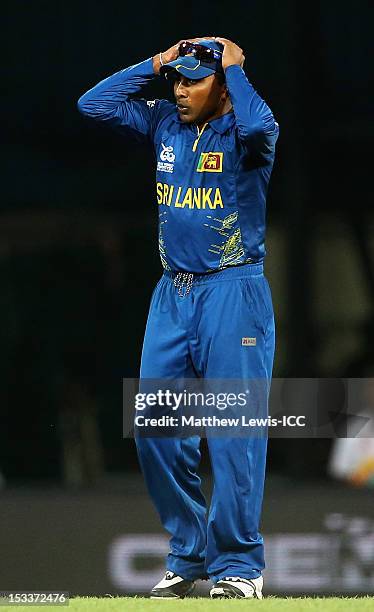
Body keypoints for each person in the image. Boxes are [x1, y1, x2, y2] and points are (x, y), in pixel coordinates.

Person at [78, 36, 279, 599]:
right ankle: (188, 554)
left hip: (231, 290)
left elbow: (261, 128)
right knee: (155, 430)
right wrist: (157, 62)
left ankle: (239, 567)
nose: (180, 90)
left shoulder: (244, 133)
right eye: (178, 80)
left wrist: (236, 69)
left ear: (222, 84)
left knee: (233, 432)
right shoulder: (164, 122)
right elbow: (92, 105)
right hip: (173, 294)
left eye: (194, 80)